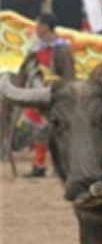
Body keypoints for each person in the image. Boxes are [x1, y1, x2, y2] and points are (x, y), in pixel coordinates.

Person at [16, 12, 75, 178]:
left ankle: (62, 166)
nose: (36, 28)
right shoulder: (36, 47)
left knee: (59, 132)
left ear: (45, 27)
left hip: (57, 94)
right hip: (39, 93)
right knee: (39, 131)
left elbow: (69, 74)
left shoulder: (62, 48)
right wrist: (20, 87)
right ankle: (39, 165)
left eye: (38, 24)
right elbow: (25, 68)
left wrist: (65, 93)